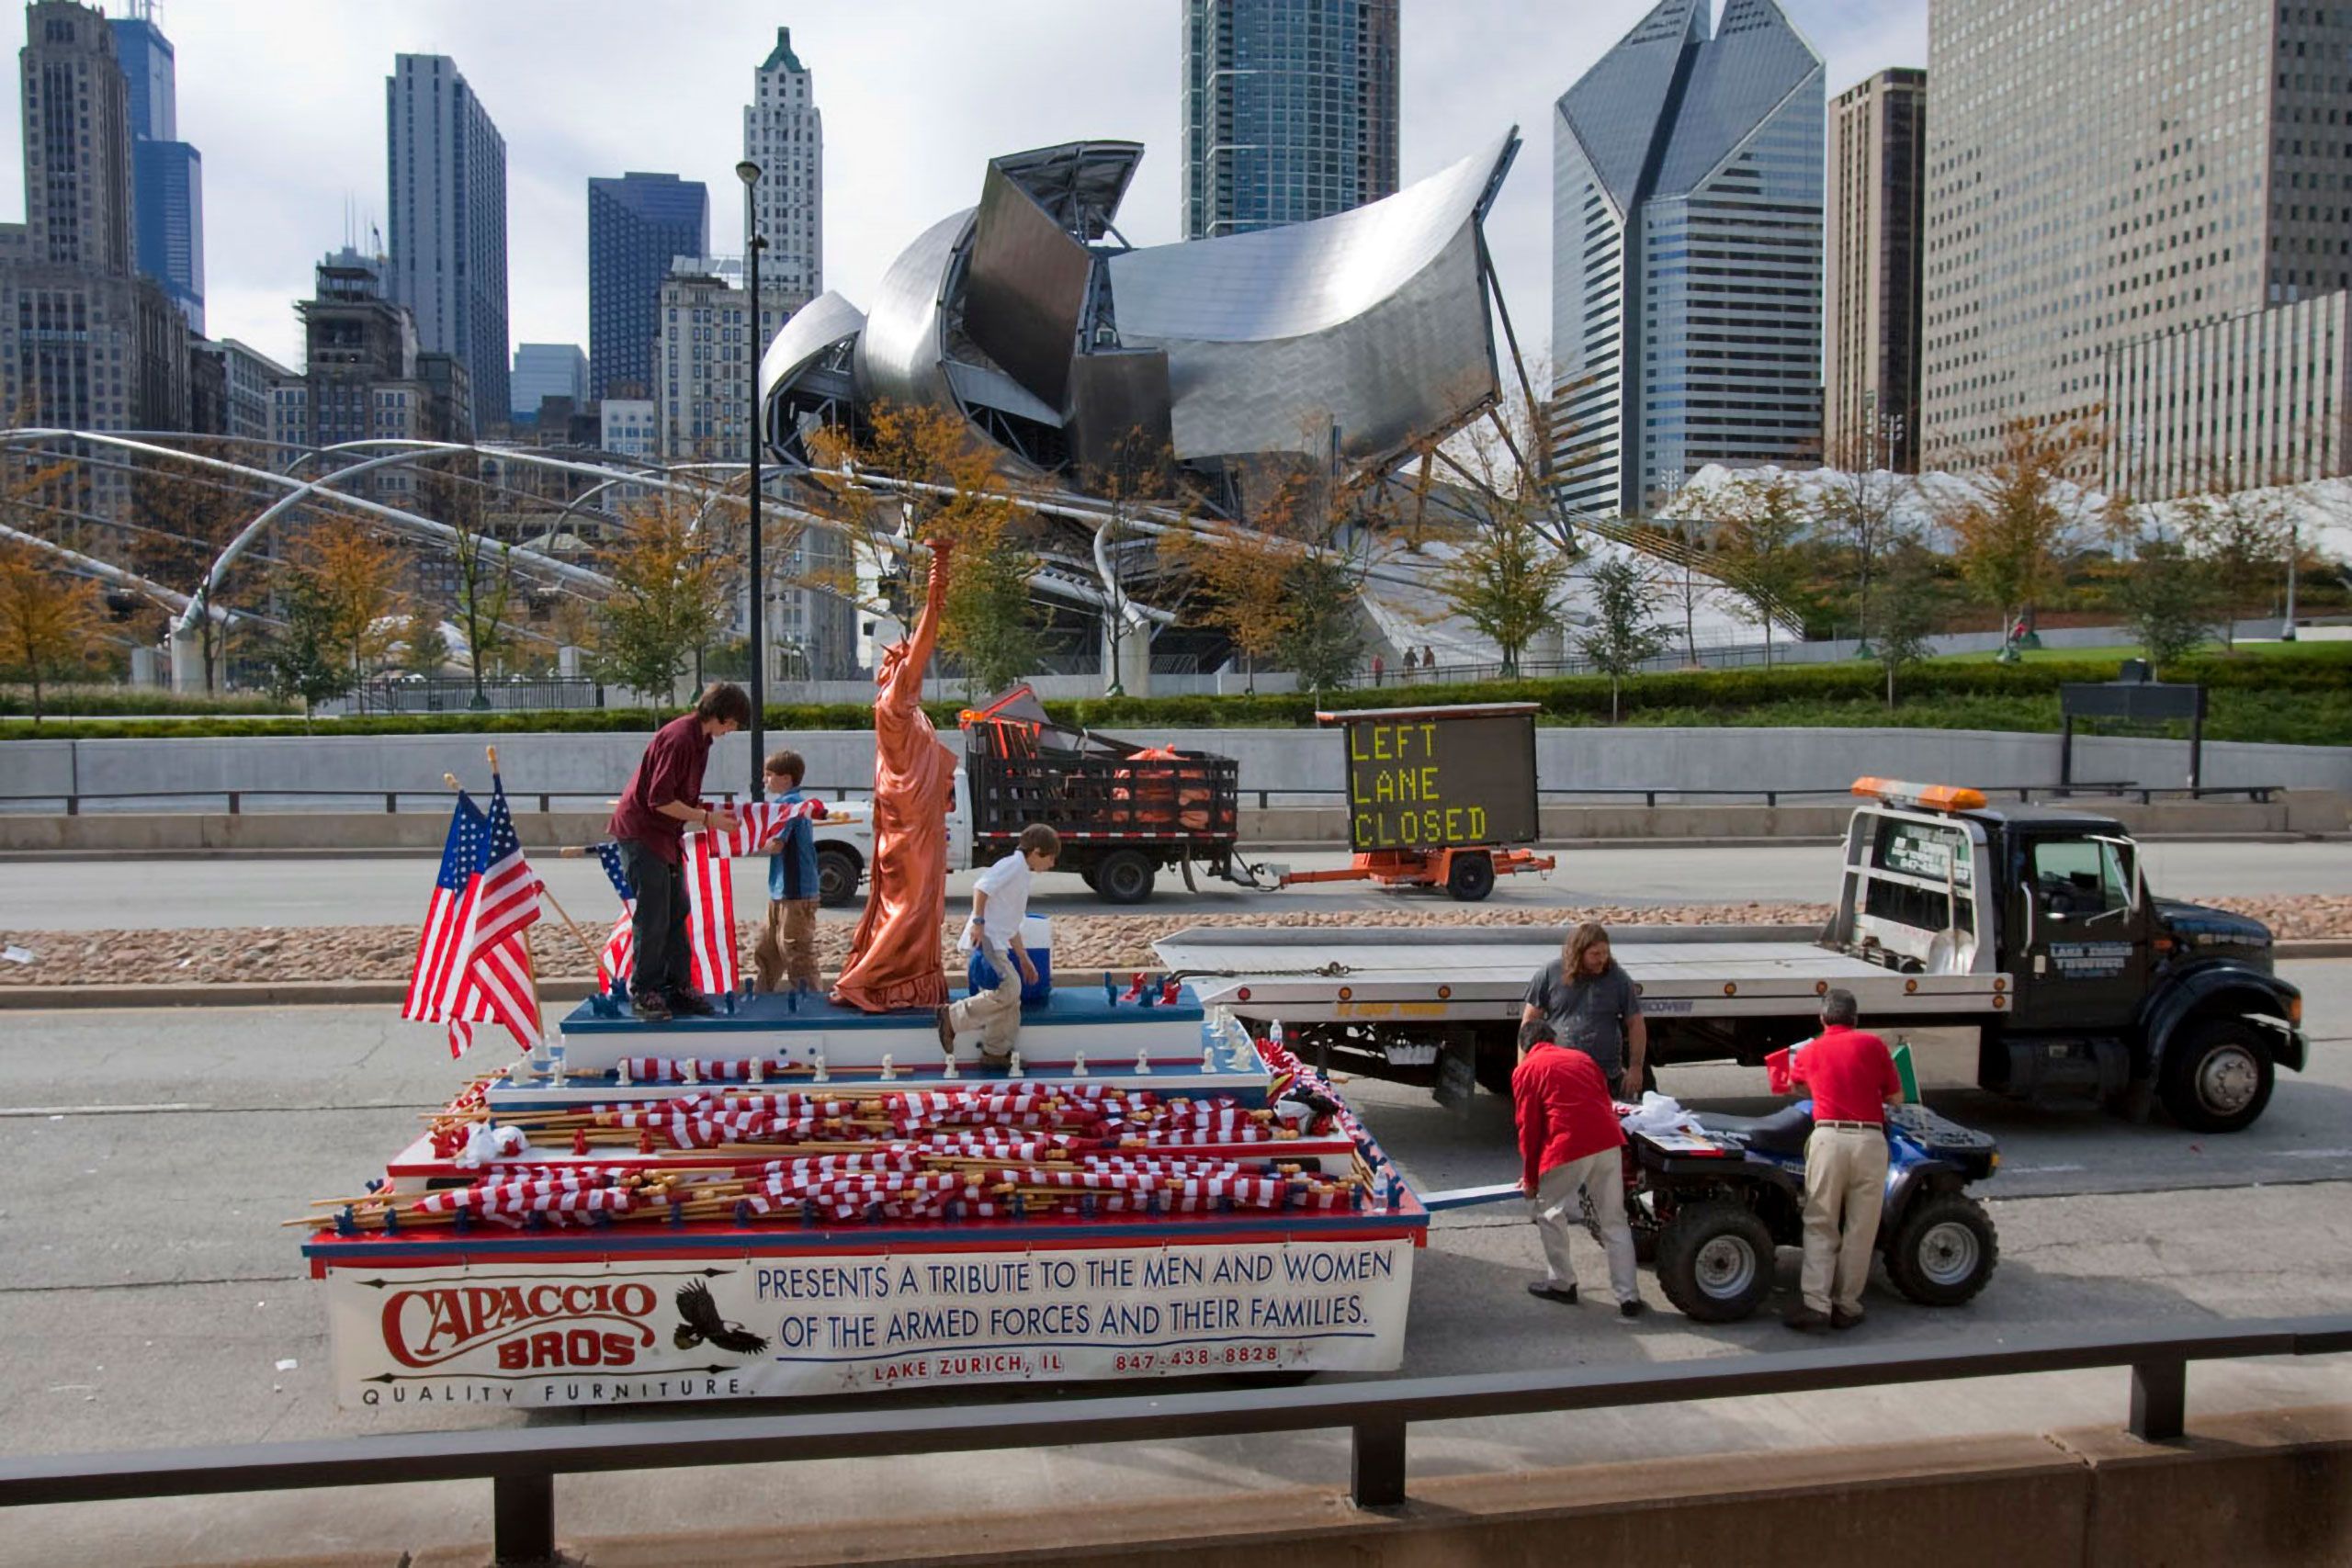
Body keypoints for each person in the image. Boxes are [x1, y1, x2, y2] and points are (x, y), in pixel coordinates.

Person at [831, 540, 959, 1012]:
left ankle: (898, 983)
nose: (907, 661)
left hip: (915, 820)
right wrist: (937, 576)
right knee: (911, 907)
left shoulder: (908, 710)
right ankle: (863, 982)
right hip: (910, 825)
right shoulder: (895, 703)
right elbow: (925, 642)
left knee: (915, 907)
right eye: (900, 658)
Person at [608, 682, 748, 1022]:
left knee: (677, 908)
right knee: (653, 913)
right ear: (721, 715)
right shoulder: (680, 738)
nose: (732, 731)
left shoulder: (701, 742)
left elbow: (681, 796)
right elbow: (660, 799)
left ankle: (677, 985)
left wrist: (708, 811)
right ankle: (644, 989)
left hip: (664, 836)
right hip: (643, 834)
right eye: (732, 723)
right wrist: (706, 818)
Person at [1783, 987, 1904, 1332]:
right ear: (1855, 1019)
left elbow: (1796, 1087)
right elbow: (1896, 1097)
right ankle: (1847, 1305)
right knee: (1860, 1228)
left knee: (1821, 1220)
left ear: (1822, 1019)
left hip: (1828, 1139)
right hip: (1869, 1141)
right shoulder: (1874, 1046)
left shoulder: (1811, 1050)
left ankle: (1816, 1304)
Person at [1513, 1020, 1644, 1317]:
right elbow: (1602, 1101)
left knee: (1550, 1212)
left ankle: (1562, 1283)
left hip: (1569, 1146)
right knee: (1614, 1219)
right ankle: (1629, 1297)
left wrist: (1532, 1180)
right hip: (1609, 1141)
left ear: (1525, 1046)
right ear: (1553, 1039)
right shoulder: (1582, 1059)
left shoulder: (1527, 1070)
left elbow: (1529, 1129)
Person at [936, 824, 1061, 1063]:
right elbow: (981, 888)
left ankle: (995, 1052)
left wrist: (1024, 959)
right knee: (1011, 988)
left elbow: (1012, 925)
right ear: (1037, 852)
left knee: (1011, 998)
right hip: (987, 938)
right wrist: (978, 922)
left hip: (997, 939)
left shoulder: (1022, 874)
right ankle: (951, 1017)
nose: (1052, 864)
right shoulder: (1013, 866)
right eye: (1052, 858)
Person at [1520, 921, 1647, 1096]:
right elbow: (1529, 1025)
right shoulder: (1551, 973)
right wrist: (1524, 1070)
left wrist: (1636, 1068)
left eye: (1605, 953)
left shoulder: (1617, 978)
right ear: (1579, 953)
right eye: (1595, 954)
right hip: (1561, 1073)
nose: (1602, 959)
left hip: (1605, 1076)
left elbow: (1636, 1023)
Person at [752, 749, 820, 995]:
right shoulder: (790, 805)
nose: (765, 780)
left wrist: (746, 841)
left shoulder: (788, 806)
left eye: (769, 775)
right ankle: (762, 994)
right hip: (781, 891)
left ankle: (810, 999)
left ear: (786, 778)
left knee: (796, 950)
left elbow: (776, 844)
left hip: (796, 891)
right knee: (768, 947)